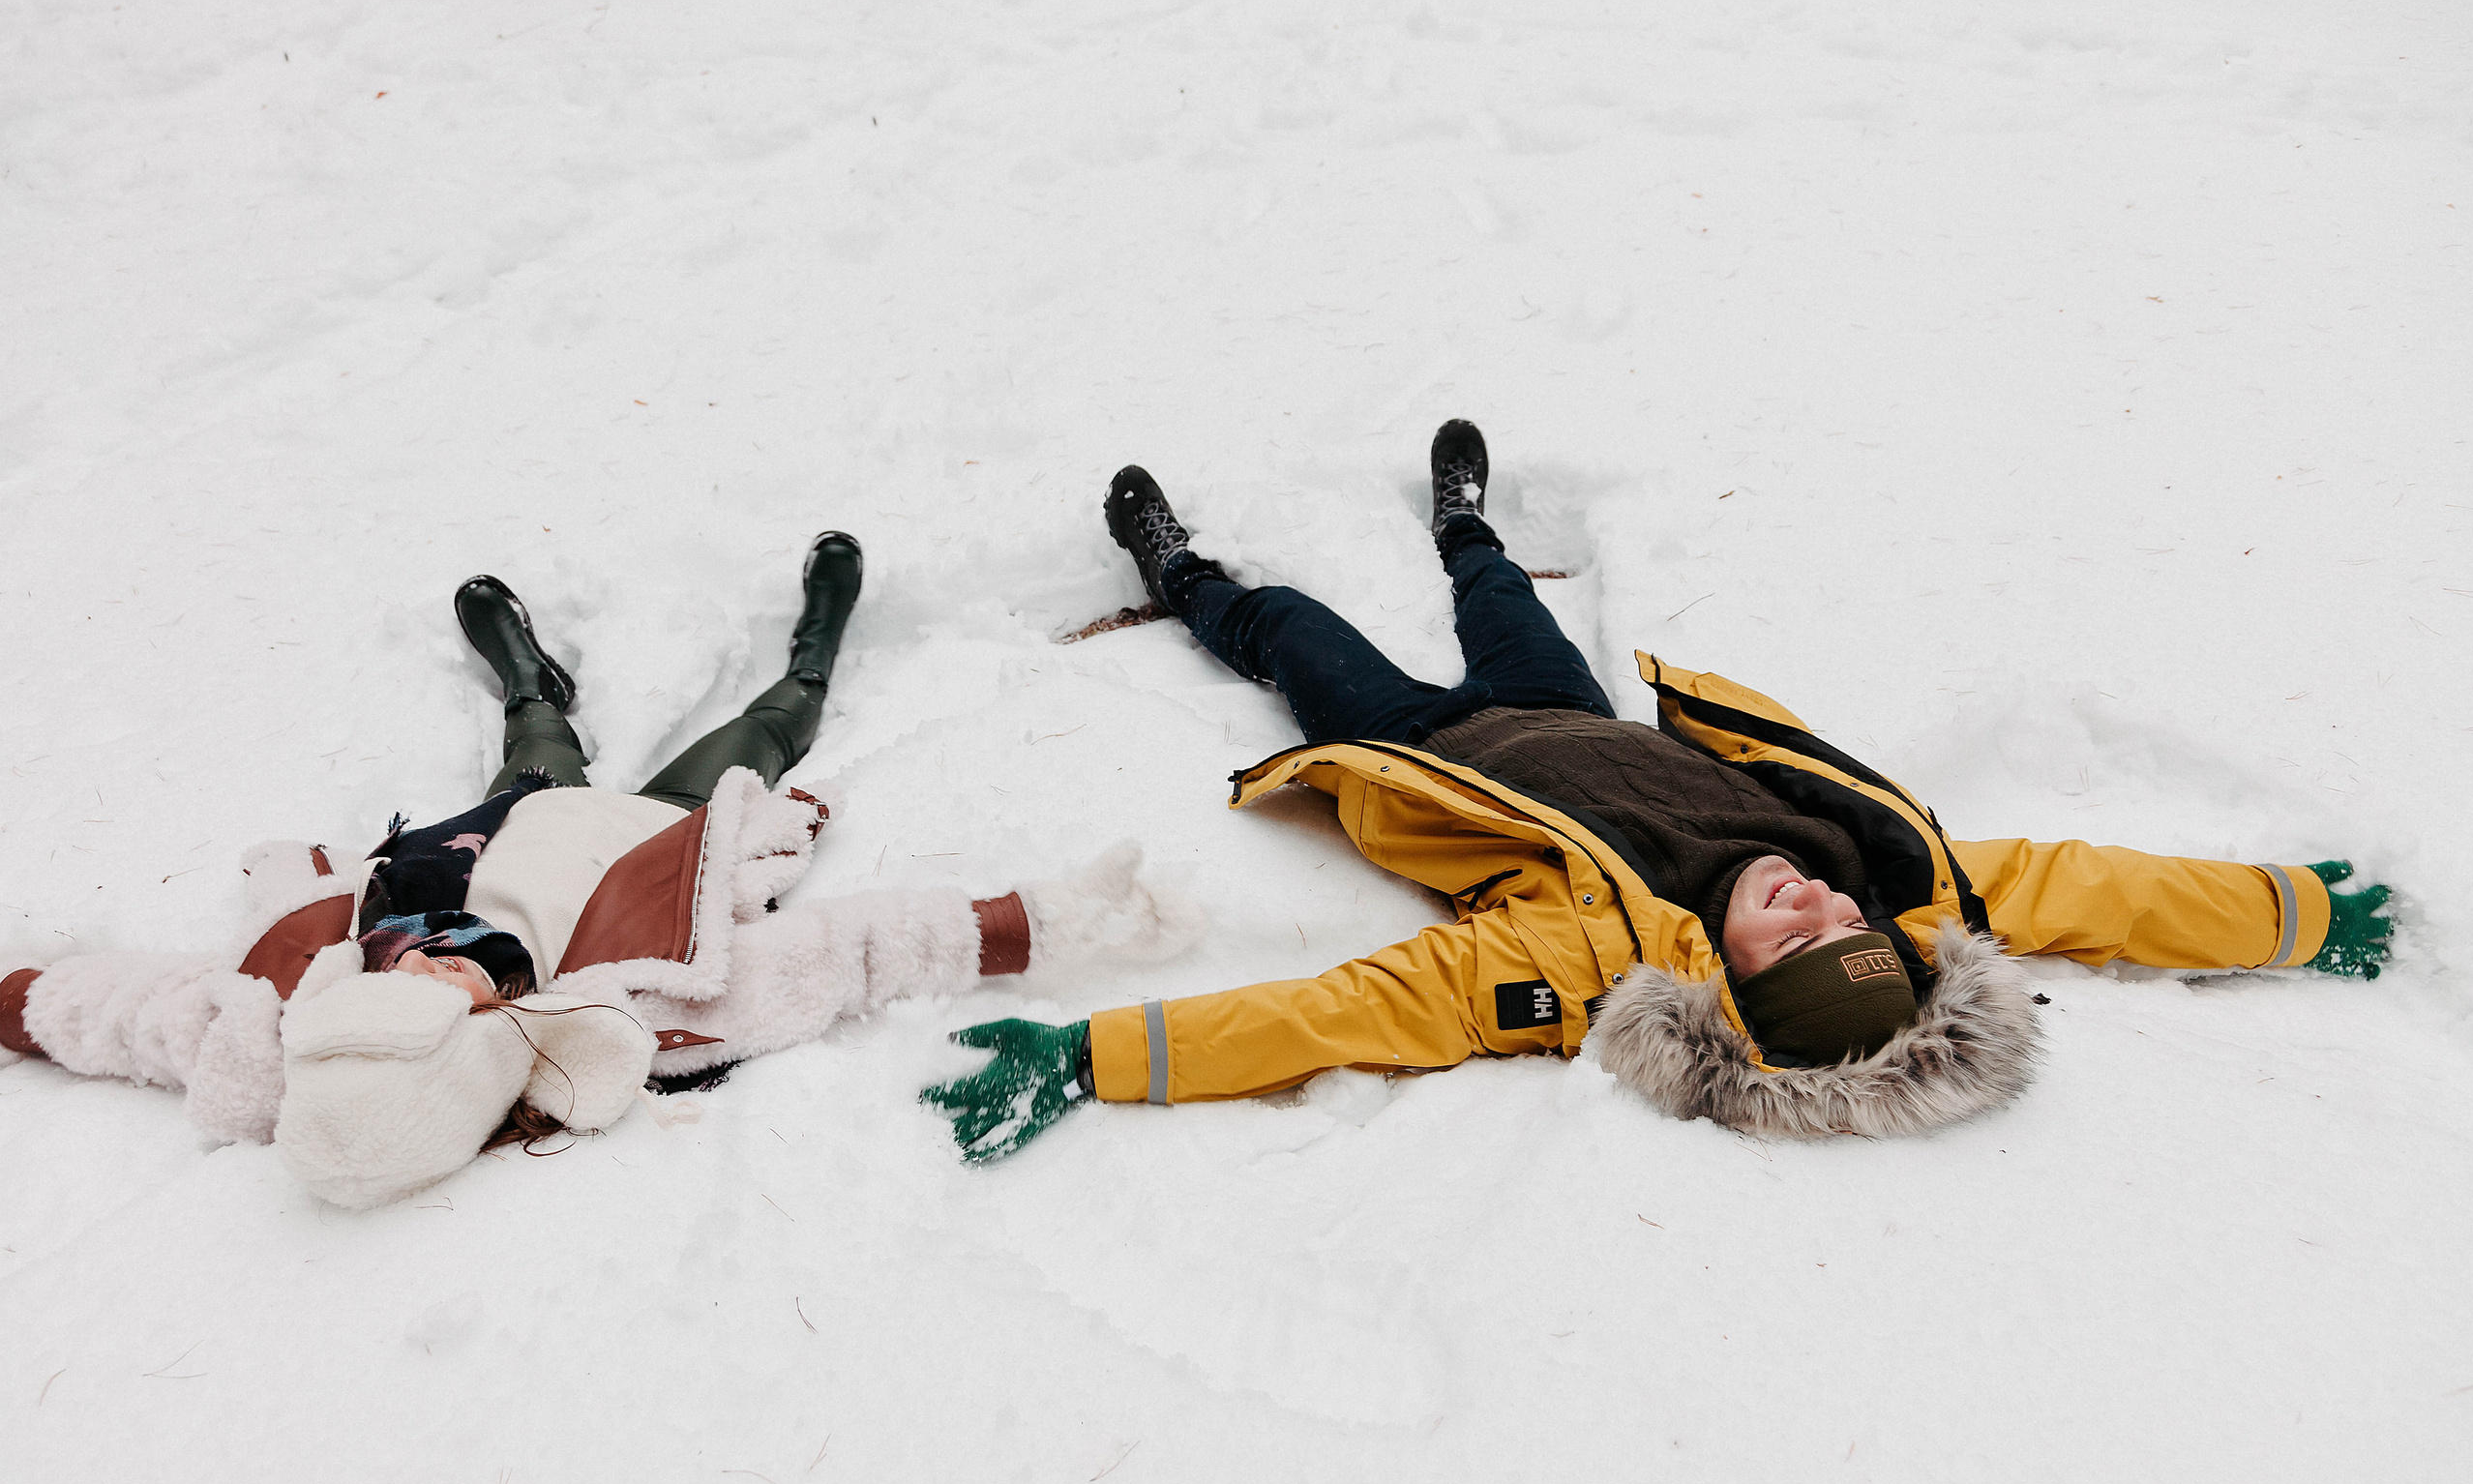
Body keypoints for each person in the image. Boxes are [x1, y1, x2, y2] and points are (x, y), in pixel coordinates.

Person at [921, 422, 2395, 1162]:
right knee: (1507, 600)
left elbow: (1355, 1010)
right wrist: (2291, 914)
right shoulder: (1897, 877)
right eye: (1842, 918)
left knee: (1292, 631)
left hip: (1429, 753)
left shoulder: (1587, 960)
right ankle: (1465, 531)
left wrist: (1098, 1056)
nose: (1815, 900)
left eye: (1793, 935)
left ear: (1734, 979)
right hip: (1571, 715)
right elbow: (2091, 889)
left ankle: (1185, 575)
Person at [1, 534, 1199, 1207]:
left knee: (533, 738)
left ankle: (530, 679)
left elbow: (134, 1015)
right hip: (658, 831)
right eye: (440, 998)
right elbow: (848, 953)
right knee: (763, 732)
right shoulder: (627, 1012)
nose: (419, 964)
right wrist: (1037, 920)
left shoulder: (284, 1021)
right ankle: (815, 649)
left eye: (386, 977)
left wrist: (16, 1004)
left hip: (503, 818)